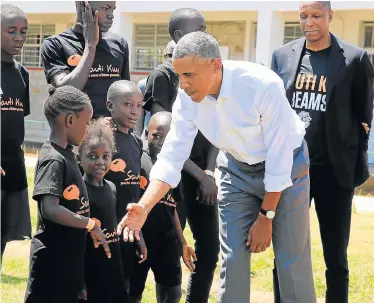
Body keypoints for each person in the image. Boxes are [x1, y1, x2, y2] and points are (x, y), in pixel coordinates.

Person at [118, 32, 317, 303]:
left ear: (215, 65)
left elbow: (280, 157)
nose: (184, 85)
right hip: (237, 170)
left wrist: (266, 216)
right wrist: (143, 207)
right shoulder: (187, 98)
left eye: (189, 75)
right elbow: (172, 156)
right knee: (233, 258)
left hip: (288, 166)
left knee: (291, 259)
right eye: (179, 76)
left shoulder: (261, 85)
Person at [271, 2, 374, 303]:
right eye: (304, 16)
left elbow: (363, 118)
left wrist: (354, 164)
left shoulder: (355, 59)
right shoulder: (282, 56)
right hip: (292, 169)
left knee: (335, 254)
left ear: (330, 16)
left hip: (334, 170)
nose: (310, 22)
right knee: (287, 251)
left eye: (316, 15)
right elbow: (274, 109)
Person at [136, 9, 220, 303]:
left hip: (203, 178)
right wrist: (198, 175)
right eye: (198, 28)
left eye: (206, 27)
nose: (205, 33)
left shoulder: (209, 72)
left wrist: (208, 174)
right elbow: (163, 139)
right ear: (178, 37)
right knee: (170, 248)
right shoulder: (163, 76)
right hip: (174, 176)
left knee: (209, 250)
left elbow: (215, 130)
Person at [25, 86, 111, 303]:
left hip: (68, 262)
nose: (89, 128)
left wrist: (78, 280)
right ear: (70, 121)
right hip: (50, 266)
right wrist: (90, 224)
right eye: (87, 121)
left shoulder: (67, 155)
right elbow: (50, 209)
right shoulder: (53, 159)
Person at [129, 111, 196, 303]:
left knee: (173, 293)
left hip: (167, 242)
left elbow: (172, 207)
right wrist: (137, 237)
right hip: (139, 242)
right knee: (133, 293)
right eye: (156, 135)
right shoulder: (138, 162)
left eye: (167, 137)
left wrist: (182, 242)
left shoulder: (172, 168)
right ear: (147, 134)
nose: (161, 142)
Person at [41, 1, 130, 118]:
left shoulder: (119, 43)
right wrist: (90, 46)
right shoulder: (56, 44)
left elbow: (126, 95)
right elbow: (65, 92)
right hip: (77, 133)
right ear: (82, 5)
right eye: (105, 8)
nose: (111, 15)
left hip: (112, 132)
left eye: (113, 9)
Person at [78, 118, 128, 303]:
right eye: (92, 156)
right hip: (91, 268)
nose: (100, 162)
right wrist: (80, 281)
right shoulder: (80, 191)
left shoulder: (112, 188)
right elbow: (77, 241)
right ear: (79, 157)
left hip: (113, 267)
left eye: (105, 156)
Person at [104, 80, 147, 292]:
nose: (135, 111)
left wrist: (139, 233)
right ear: (110, 105)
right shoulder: (101, 138)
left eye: (139, 106)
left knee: (125, 287)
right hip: (103, 230)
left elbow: (135, 193)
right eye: (128, 104)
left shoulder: (136, 142)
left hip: (128, 229)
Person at [0, 4, 32, 263]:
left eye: (23, 31)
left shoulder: (22, 73)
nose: (19, 37)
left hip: (13, 171)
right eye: (12, 31)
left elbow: (17, 121)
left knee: (2, 242)